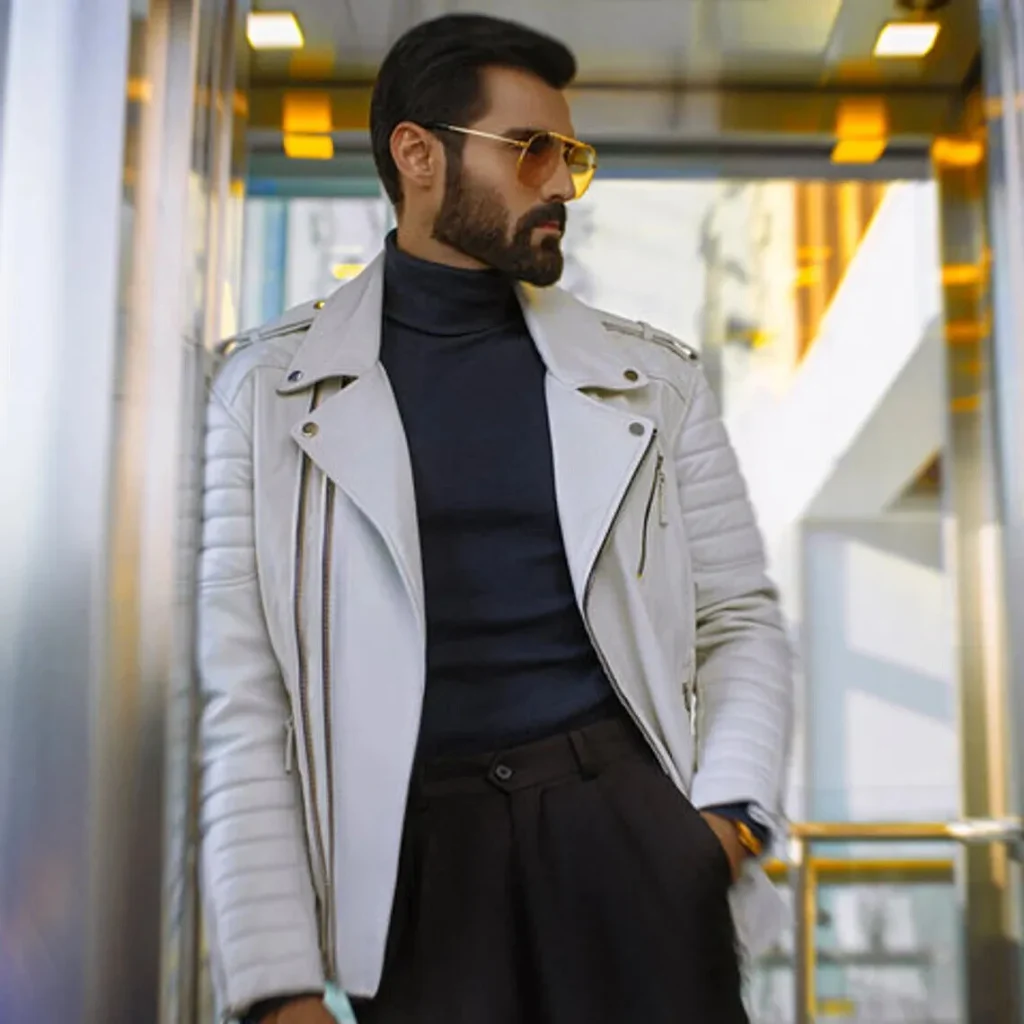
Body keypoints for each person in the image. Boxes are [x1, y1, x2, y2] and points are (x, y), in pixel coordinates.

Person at [198, 13, 792, 1024]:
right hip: (413, 870)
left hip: (628, 838)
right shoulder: (263, 392)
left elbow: (737, 616)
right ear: (417, 154)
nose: (561, 185)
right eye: (530, 152)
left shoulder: (652, 379)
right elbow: (243, 698)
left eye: (570, 156)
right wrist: (276, 985)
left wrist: (723, 822)